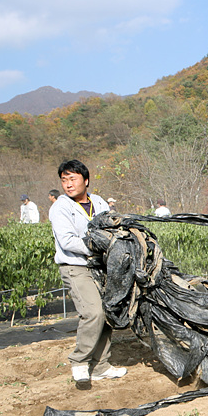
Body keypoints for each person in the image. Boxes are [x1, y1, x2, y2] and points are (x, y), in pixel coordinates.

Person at [49, 159, 126, 390]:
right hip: (76, 267)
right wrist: (99, 246)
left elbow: (111, 226)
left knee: (107, 312)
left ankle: (101, 365)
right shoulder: (60, 208)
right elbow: (68, 241)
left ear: (86, 180)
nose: (68, 184)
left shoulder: (98, 201)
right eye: (64, 180)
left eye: (72, 179)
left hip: (100, 267)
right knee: (92, 312)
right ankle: (80, 362)